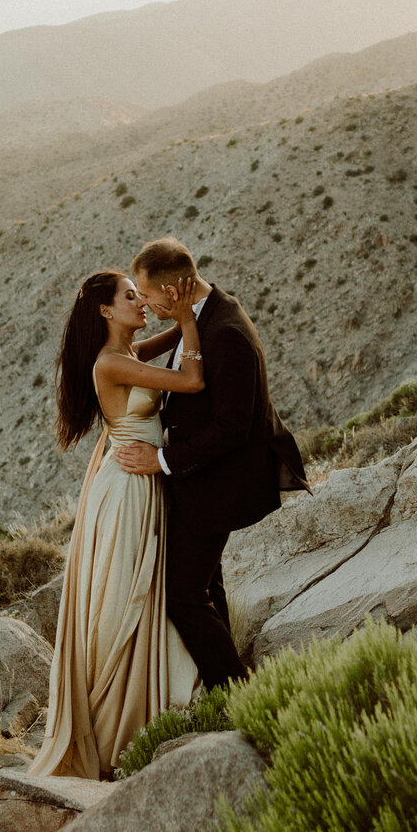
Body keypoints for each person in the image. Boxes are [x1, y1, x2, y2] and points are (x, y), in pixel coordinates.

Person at [28, 269, 207, 780]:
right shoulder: (110, 363)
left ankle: (146, 705)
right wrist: (186, 320)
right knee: (126, 597)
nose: (140, 302)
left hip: (142, 482)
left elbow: (168, 339)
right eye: (131, 296)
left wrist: (186, 309)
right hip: (128, 491)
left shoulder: (128, 353)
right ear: (106, 310)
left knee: (144, 593)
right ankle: (116, 727)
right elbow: (191, 381)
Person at [108, 237, 306, 691]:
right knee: (208, 587)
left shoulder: (225, 332)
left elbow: (233, 427)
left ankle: (236, 694)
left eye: (148, 296)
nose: (145, 304)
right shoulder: (199, 317)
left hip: (218, 484)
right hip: (196, 480)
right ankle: (234, 680)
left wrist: (161, 459)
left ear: (173, 291)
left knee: (182, 596)